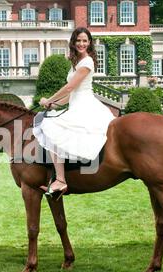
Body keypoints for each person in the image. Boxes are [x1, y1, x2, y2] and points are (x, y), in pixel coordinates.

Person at [33, 27, 115, 197]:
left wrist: (49, 100)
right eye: (78, 40)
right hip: (76, 103)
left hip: (86, 106)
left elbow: (70, 87)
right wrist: (54, 105)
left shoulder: (87, 62)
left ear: (90, 42)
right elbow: (72, 94)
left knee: (50, 127)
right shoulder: (77, 63)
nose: (81, 44)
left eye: (85, 40)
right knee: (50, 121)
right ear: (73, 42)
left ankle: (61, 180)